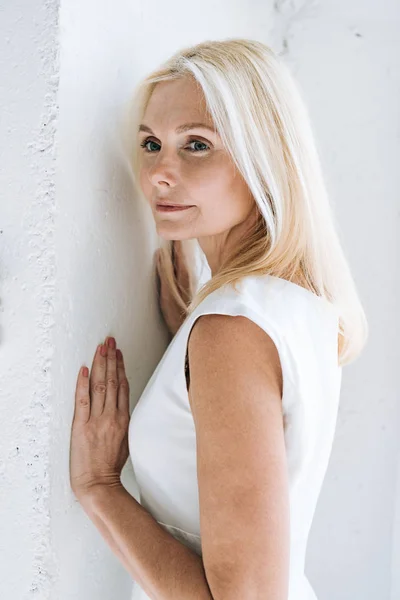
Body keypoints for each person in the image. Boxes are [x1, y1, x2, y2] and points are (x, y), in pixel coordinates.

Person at [123, 38, 368, 599]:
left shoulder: (231, 328)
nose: (161, 171)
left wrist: (96, 487)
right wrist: (188, 337)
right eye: (152, 143)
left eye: (197, 145)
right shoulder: (294, 304)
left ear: (265, 156)